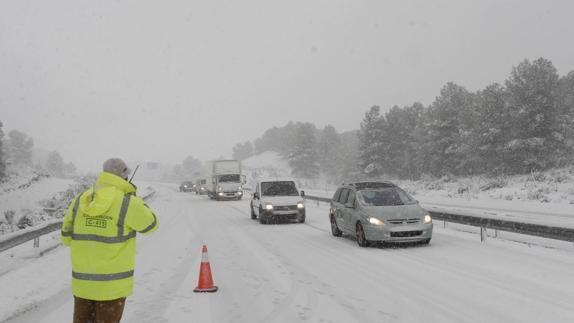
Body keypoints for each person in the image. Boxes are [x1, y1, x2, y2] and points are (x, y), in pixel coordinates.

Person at [61, 158, 159, 323]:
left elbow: (66, 237)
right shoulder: (127, 202)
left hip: (83, 285)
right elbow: (151, 225)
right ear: (125, 177)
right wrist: (135, 198)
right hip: (112, 287)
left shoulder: (81, 199)